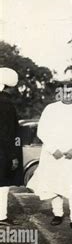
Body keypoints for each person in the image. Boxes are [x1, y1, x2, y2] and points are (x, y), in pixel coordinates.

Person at [27, 83, 72, 230]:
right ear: (59, 94)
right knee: (55, 184)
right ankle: (57, 214)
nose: (68, 95)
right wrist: (53, 149)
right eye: (65, 93)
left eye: (71, 92)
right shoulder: (50, 109)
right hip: (53, 155)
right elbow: (42, 131)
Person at [0, 67, 21, 226]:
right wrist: (13, 156)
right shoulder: (6, 104)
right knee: (3, 184)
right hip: (2, 151)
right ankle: (1, 216)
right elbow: (7, 133)